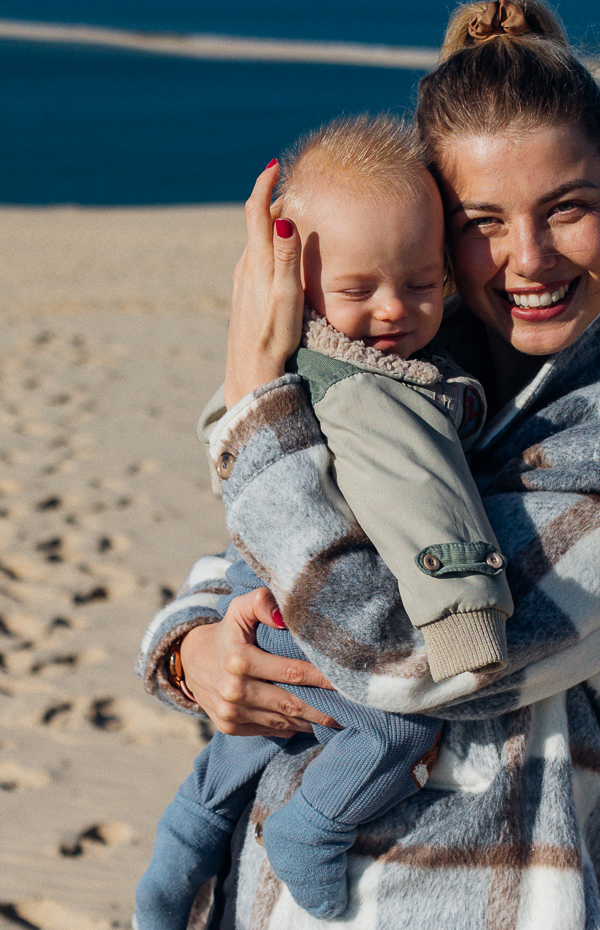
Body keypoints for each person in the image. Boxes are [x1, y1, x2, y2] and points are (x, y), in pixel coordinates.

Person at [136, 0, 600, 929]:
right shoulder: (410, 386)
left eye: (566, 209)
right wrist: (196, 653)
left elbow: (405, 653)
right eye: (482, 221)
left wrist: (256, 408)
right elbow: (255, 564)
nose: (527, 258)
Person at [136, 115, 513, 927]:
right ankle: (312, 827)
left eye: (423, 283)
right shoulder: (375, 392)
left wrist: (198, 637)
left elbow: (230, 437)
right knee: (389, 733)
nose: (395, 311)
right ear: (296, 284)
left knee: (226, 768)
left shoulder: (303, 365)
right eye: (357, 290)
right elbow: (428, 504)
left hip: (264, 590)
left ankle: (165, 885)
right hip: (306, 611)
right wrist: (468, 621)